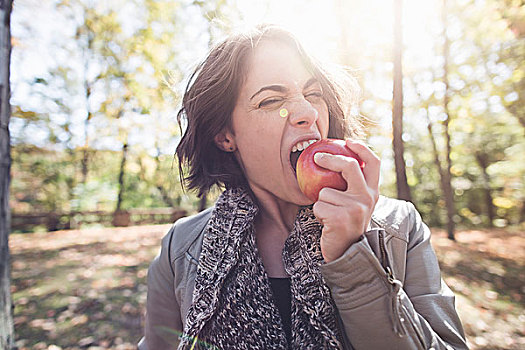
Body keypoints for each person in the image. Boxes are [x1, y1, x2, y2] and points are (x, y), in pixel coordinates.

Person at [138, 25, 468, 350]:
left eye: (313, 94)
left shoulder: (399, 227)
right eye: (270, 101)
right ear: (226, 136)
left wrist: (353, 256)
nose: (308, 113)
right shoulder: (180, 248)